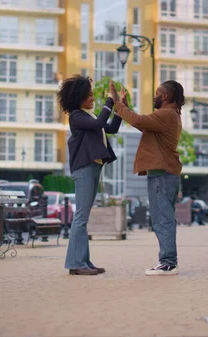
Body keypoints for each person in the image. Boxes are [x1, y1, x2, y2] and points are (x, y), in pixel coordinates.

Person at [109, 79, 184, 276]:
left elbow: (139, 121)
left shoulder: (166, 114)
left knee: (162, 219)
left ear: (165, 96)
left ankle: (168, 263)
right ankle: (168, 261)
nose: (154, 96)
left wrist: (117, 103)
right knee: (162, 218)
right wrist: (124, 107)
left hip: (162, 176)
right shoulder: (168, 115)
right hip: (164, 175)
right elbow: (142, 122)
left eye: (157, 92)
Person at [58, 75, 124, 276]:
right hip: (84, 168)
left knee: (83, 218)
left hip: (93, 167)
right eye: (89, 95)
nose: (93, 98)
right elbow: (99, 125)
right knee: (80, 218)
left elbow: (110, 127)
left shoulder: (89, 115)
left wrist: (120, 107)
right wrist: (110, 101)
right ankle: (76, 263)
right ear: (79, 97)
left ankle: (83, 261)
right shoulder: (77, 116)